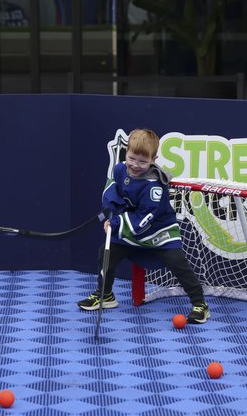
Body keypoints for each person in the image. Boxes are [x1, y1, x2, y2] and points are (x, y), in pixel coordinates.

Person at [77, 128, 210, 324]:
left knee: (178, 263)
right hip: (129, 225)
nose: (136, 165)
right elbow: (111, 188)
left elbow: (147, 216)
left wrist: (117, 223)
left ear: (153, 159)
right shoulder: (120, 168)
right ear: (127, 153)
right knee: (106, 253)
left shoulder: (154, 185)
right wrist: (113, 214)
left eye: (143, 161)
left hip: (159, 230)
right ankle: (105, 294)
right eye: (132, 158)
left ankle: (200, 304)